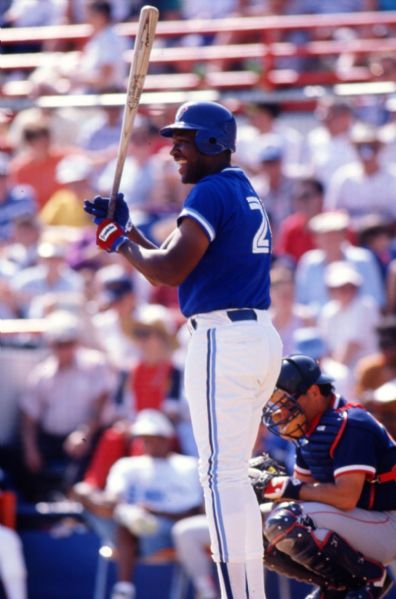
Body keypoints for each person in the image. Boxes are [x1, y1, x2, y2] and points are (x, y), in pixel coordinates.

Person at [84, 100, 283, 599]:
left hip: (224, 337)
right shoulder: (238, 189)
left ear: (215, 143)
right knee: (231, 476)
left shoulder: (213, 190)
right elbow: (178, 259)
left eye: (185, 138)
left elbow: (169, 271)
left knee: (220, 476)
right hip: (254, 334)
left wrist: (119, 244)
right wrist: (127, 232)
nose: (174, 149)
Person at [251, 353, 396, 598]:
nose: (278, 414)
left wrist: (284, 487)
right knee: (254, 527)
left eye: (284, 403)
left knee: (286, 521)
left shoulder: (351, 423)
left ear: (314, 392)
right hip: (362, 520)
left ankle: (372, 578)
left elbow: (346, 496)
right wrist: (267, 490)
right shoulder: (312, 428)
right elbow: (304, 494)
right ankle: (336, 587)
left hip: (387, 521)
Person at [71, 409, 203, 599]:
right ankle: (124, 588)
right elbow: (112, 500)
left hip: (166, 530)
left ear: (167, 439)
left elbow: (193, 510)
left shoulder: (188, 466)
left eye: (153, 437)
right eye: (143, 438)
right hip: (126, 526)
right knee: (123, 515)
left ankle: (123, 589)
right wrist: (88, 495)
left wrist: (155, 512)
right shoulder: (127, 466)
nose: (147, 443)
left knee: (129, 518)